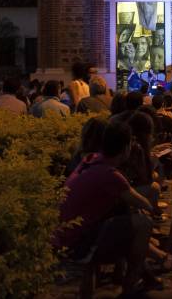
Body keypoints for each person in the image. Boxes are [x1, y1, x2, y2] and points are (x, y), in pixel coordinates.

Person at [54, 122, 158, 298]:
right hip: (77, 243)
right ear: (126, 148)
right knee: (143, 223)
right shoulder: (110, 174)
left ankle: (140, 272)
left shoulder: (91, 160)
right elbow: (145, 204)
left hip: (65, 234)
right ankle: (130, 285)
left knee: (127, 215)